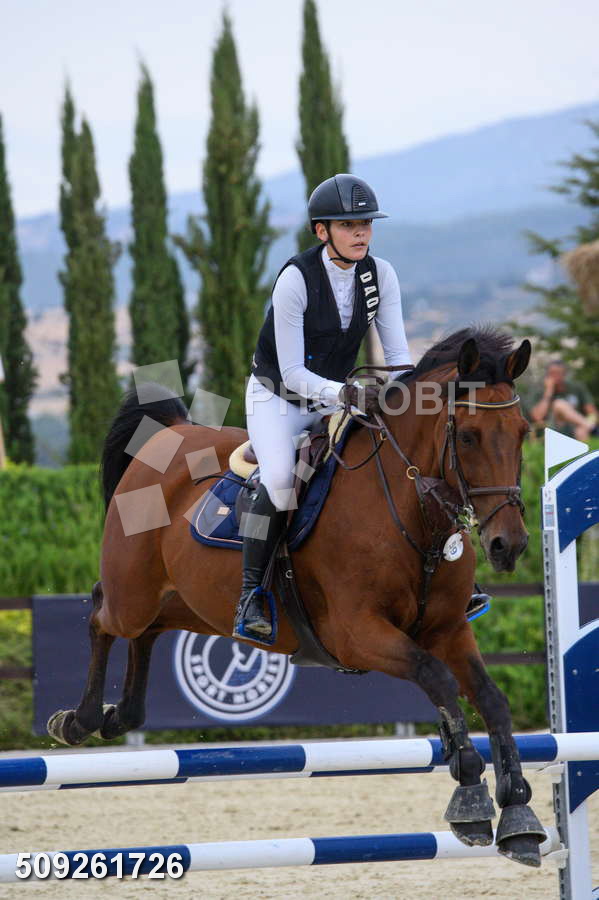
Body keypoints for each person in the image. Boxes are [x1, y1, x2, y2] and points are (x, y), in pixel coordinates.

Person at [233, 174, 485, 641]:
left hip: (338, 397)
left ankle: (453, 576)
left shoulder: (380, 275)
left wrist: (417, 401)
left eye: (366, 224)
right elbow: (292, 373)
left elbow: (398, 359)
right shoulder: (295, 280)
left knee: (406, 461)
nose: (361, 233)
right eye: (349, 225)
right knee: (282, 480)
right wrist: (346, 394)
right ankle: (252, 595)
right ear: (321, 230)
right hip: (278, 399)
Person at [530, 360, 598, 442]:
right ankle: (593, 429)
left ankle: (587, 431)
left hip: (575, 428)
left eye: (558, 373)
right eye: (552, 373)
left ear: (564, 374)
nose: (555, 376)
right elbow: (537, 417)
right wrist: (548, 392)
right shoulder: (540, 392)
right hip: (552, 430)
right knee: (559, 404)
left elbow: (592, 412)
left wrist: (584, 427)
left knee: (581, 430)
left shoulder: (576, 387)